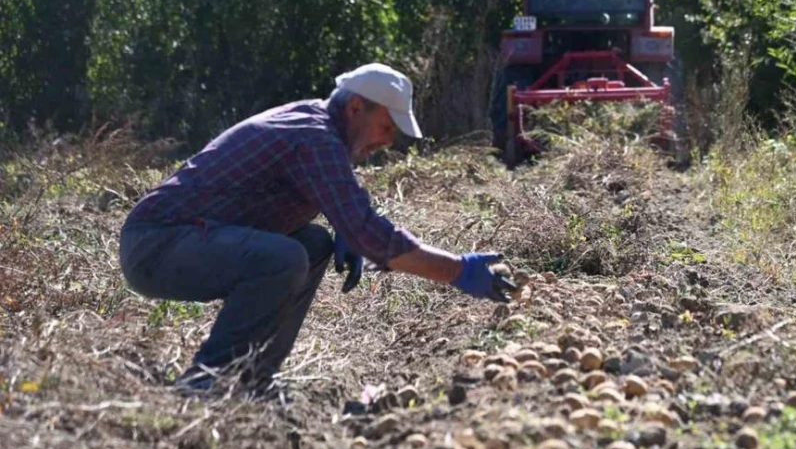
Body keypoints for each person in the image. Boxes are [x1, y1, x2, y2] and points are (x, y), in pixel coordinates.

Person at [118, 63, 515, 398]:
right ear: (356, 107)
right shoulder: (315, 138)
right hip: (157, 245)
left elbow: (348, 212)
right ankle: (208, 382)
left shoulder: (317, 124)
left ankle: (255, 377)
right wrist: (457, 271)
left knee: (312, 243)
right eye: (386, 128)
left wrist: (345, 227)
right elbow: (369, 233)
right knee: (284, 258)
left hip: (187, 240)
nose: (388, 142)